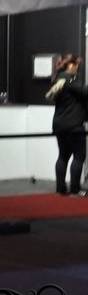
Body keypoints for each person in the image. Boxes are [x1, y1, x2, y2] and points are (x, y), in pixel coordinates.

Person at [45, 54, 88, 195]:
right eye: (78, 66)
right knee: (79, 156)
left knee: (63, 156)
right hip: (74, 125)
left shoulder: (58, 80)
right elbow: (85, 92)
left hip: (59, 124)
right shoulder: (69, 80)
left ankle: (60, 188)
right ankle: (75, 189)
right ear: (72, 65)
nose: (78, 69)